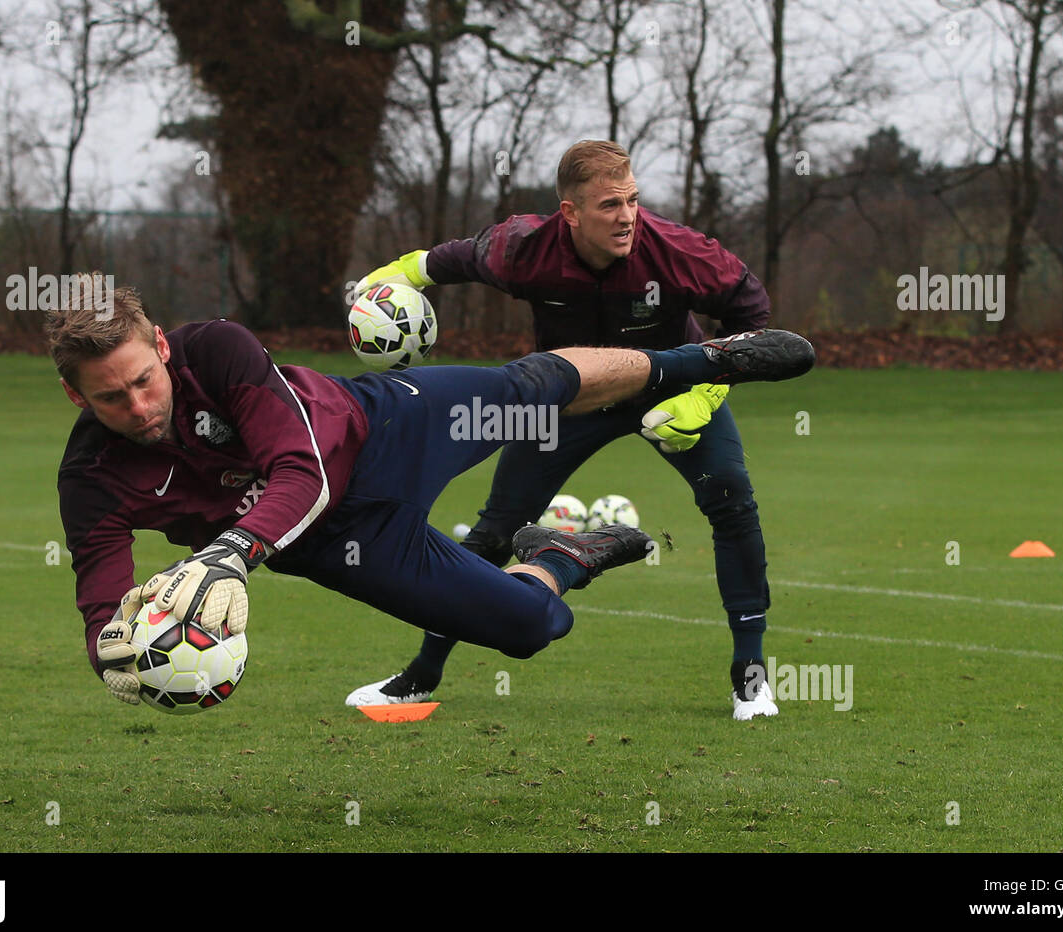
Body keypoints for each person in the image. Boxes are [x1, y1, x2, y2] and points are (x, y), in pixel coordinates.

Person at [47, 276, 813, 703]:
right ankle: (562, 552)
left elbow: (302, 471)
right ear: (77, 398)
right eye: (112, 398)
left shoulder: (215, 349)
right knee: (533, 626)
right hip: (344, 544)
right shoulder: (91, 480)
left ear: (161, 348)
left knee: (530, 388)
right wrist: (121, 656)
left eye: (144, 380)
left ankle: (702, 358)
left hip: (389, 431)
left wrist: (229, 553)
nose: (140, 407)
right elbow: (99, 611)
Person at [345, 140, 795, 721]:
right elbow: (444, 262)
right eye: (610, 205)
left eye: (633, 200)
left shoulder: (681, 252)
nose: (628, 217)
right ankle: (421, 673)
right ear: (570, 212)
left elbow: (753, 319)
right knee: (495, 532)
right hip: (567, 399)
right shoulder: (523, 249)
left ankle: (751, 679)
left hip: (672, 389)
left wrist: (706, 396)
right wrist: (393, 278)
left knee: (733, 503)